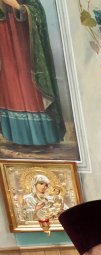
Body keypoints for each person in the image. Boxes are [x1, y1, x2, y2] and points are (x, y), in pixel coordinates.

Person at [0, 0, 65, 146]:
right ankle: (17, 137)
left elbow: (36, 11)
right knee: (10, 85)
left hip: (24, 42)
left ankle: (43, 136)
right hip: (4, 42)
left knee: (29, 85)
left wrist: (18, 6)